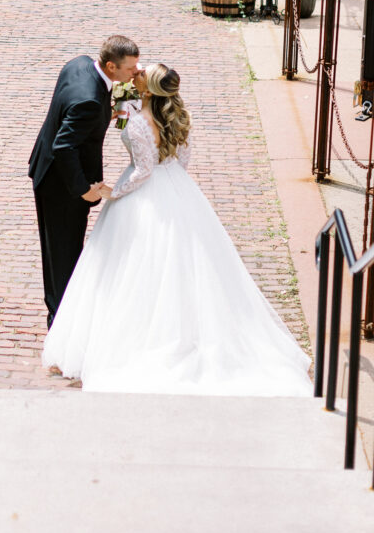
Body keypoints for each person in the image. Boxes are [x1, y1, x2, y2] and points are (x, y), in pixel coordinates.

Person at [43, 63, 311, 396]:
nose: (136, 73)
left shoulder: (140, 123)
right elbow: (180, 162)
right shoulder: (176, 118)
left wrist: (115, 191)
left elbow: (142, 171)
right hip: (177, 187)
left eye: (142, 74)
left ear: (151, 89)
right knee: (184, 263)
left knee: (128, 267)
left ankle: (130, 341)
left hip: (142, 194)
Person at [29, 35, 140, 329]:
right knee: (63, 253)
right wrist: (84, 190)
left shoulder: (79, 64)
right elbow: (64, 146)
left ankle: (64, 313)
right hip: (61, 185)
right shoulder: (89, 100)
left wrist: (107, 114)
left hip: (47, 168)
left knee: (63, 249)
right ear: (111, 66)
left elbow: (71, 112)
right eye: (130, 69)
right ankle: (59, 323)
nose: (135, 73)